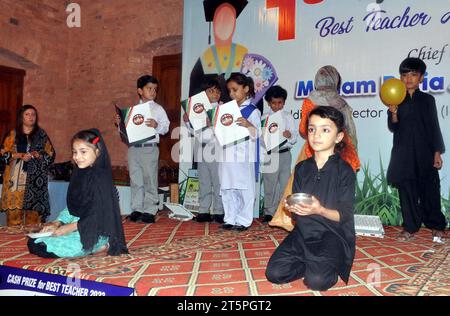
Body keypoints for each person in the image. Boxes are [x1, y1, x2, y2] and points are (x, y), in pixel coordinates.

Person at [265, 106, 356, 292]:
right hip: (303, 233)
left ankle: (326, 265)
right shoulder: (301, 168)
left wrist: (320, 210)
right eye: (312, 129)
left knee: (317, 281)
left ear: (339, 137)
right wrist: (291, 206)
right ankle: (312, 263)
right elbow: (298, 209)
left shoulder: (345, 170)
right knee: (274, 273)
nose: (316, 135)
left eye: (325, 130)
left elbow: (345, 215)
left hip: (333, 235)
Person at [270, 65, 360, 231]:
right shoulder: (342, 103)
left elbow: (304, 130)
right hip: (342, 148)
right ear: (336, 81)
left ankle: (299, 221)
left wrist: (314, 131)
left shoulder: (310, 100)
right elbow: (351, 130)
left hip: (315, 150)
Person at [27, 129, 128, 258]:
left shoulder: (100, 179)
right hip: (77, 227)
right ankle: (91, 247)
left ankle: (101, 245)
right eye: (75, 152)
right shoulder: (79, 174)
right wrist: (57, 223)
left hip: (96, 230)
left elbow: (100, 216)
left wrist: (69, 228)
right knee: (34, 241)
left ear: (97, 152)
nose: (77, 157)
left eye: (83, 152)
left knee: (43, 247)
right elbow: (72, 207)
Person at [386, 57, 447, 242]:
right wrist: (394, 113)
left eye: (413, 74)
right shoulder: (395, 98)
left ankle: (436, 225)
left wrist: (437, 152)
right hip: (403, 154)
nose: (409, 78)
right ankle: (410, 228)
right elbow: (393, 127)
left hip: (425, 153)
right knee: (407, 192)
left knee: (430, 191)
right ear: (400, 78)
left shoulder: (427, 100)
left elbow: (433, 126)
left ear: (421, 78)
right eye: (404, 75)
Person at [115, 75, 170, 224]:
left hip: (149, 148)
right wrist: (120, 124)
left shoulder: (158, 109)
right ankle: (137, 209)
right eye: (149, 89)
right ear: (140, 91)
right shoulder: (133, 111)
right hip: (134, 148)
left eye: (155, 89)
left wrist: (156, 125)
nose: (152, 92)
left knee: (150, 180)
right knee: (136, 180)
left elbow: (166, 128)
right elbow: (125, 133)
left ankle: (150, 210)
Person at [1, 104, 55, 226]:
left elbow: (51, 154)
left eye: (33, 114)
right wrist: (19, 155)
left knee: (33, 220)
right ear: (21, 117)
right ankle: (13, 243)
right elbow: (2, 153)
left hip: (35, 182)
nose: (31, 117)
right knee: (14, 216)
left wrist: (38, 155)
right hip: (14, 181)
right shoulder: (12, 134)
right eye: (27, 114)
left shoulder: (41, 135)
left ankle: (31, 243)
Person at [218, 73, 260, 231]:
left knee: (244, 189)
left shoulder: (252, 111)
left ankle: (243, 220)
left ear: (246, 89)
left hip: (244, 157)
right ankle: (230, 218)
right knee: (228, 188)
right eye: (229, 91)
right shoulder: (226, 110)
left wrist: (249, 124)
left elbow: (258, 135)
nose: (231, 94)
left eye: (235, 90)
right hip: (227, 156)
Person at [189, 0, 248, 104]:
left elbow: (250, 90)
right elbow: (195, 91)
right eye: (220, 19)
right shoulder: (205, 57)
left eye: (228, 20)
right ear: (214, 24)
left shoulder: (243, 54)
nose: (224, 25)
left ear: (234, 25)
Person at [183, 77, 225, 223]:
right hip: (201, 147)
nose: (215, 94)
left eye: (217, 91)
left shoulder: (222, 108)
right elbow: (193, 131)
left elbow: (226, 129)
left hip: (216, 147)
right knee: (204, 180)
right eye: (211, 91)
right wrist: (187, 121)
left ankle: (219, 212)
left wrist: (213, 123)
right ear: (203, 93)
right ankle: (203, 210)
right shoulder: (197, 108)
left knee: (218, 181)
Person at [261, 85, 297, 223]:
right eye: (273, 102)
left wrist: (289, 135)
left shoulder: (287, 116)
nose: (277, 105)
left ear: (284, 102)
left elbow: (294, 138)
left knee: (285, 184)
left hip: (285, 154)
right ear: (269, 102)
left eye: (280, 102)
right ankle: (269, 212)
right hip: (271, 154)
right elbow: (261, 140)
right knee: (270, 185)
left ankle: (283, 212)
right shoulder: (265, 117)